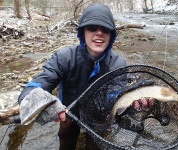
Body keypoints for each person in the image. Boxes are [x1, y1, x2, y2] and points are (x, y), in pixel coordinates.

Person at [18, 3, 126, 150]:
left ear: (111, 35)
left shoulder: (119, 64)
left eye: (105, 29)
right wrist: (31, 98)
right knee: (66, 140)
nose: (99, 33)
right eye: (92, 28)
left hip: (99, 117)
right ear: (83, 32)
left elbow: (118, 94)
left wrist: (133, 104)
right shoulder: (64, 57)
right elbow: (41, 81)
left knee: (95, 145)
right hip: (67, 113)